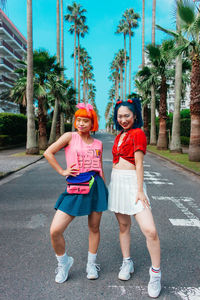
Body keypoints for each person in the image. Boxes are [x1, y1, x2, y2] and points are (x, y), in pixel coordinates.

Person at [44, 103, 108, 283]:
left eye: (85, 120)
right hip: (75, 187)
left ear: (92, 123)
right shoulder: (69, 137)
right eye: (78, 120)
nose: (81, 123)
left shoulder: (98, 143)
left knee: (94, 228)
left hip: (96, 187)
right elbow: (49, 152)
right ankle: (63, 263)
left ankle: (91, 264)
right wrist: (62, 171)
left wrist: (104, 188)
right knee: (55, 230)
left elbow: (100, 167)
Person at [108, 99, 161, 298]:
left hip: (133, 184)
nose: (123, 119)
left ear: (135, 115)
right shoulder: (120, 135)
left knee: (150, 230)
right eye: (120, 116)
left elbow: (139, 164)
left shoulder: (138, 133)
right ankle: (127, 261)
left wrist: (140, 191)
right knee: (123, 226)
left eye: (127, 115)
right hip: (117, 183)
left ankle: (155, 274)